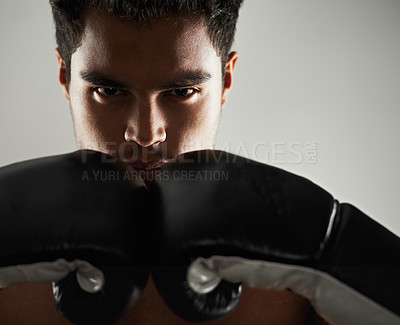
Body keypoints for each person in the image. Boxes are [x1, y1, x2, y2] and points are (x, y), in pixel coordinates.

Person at [0, 1, 398, 324]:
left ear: (226, 81)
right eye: (107, 90)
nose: (145, 134)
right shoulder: (11, 278)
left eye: (182, 91)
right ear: (64, 77)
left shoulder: (299, 283)